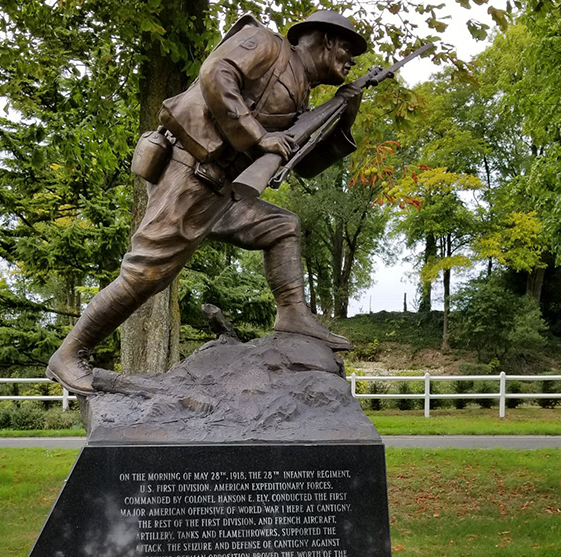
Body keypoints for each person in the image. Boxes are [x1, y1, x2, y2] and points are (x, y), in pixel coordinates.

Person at [47, 10, 367, 395]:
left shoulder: (301, 93)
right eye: (348, 49)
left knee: (281, 226)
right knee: (146, 272)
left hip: (223, 192)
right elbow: (216, 73)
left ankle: (292, 314)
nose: (351, 61)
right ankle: (69, 353)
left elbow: (305, 165)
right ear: (327, 40)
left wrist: (343, 115)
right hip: (189, 173)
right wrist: (257, 135)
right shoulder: (267, 44)